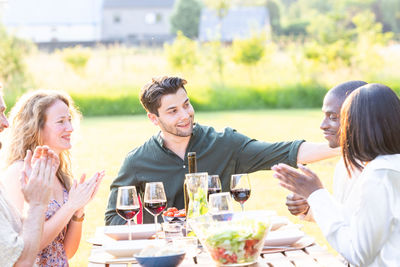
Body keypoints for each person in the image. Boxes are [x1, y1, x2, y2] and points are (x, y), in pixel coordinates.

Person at [105, 76, 339, 225]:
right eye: (173, 111)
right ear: (153, 119)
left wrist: (347, 148)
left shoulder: (224, 143)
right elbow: (113, 217)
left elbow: (286, 152)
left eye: (186, 105)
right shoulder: (137, 161)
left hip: (216, 251)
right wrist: (153, 231)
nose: (185, 115)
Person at [272, 83, 400, 266]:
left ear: (358, 123)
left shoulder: (380, 175)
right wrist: (313, 201)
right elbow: (356, 223)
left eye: (337, 117)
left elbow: (358, 254)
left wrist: (316, 193)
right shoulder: (386, 166)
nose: (323, 125)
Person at [1, 89, 104, 266]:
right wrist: (70, 205)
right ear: (36, 127)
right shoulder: (18, 173)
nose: (70, 128)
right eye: (61, 122)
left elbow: (65, 251)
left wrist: (78, 210)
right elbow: (22, 250)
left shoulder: (58, 173)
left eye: (69, 120)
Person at [285, 80, 367, 219]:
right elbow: (344, 215)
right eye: (324, 115)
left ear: (360, 118)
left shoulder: (380, 171)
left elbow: (357, 232)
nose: (322, 125)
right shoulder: (345, 164)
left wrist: (317, 194)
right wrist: (308, 207)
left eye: (333, 117)